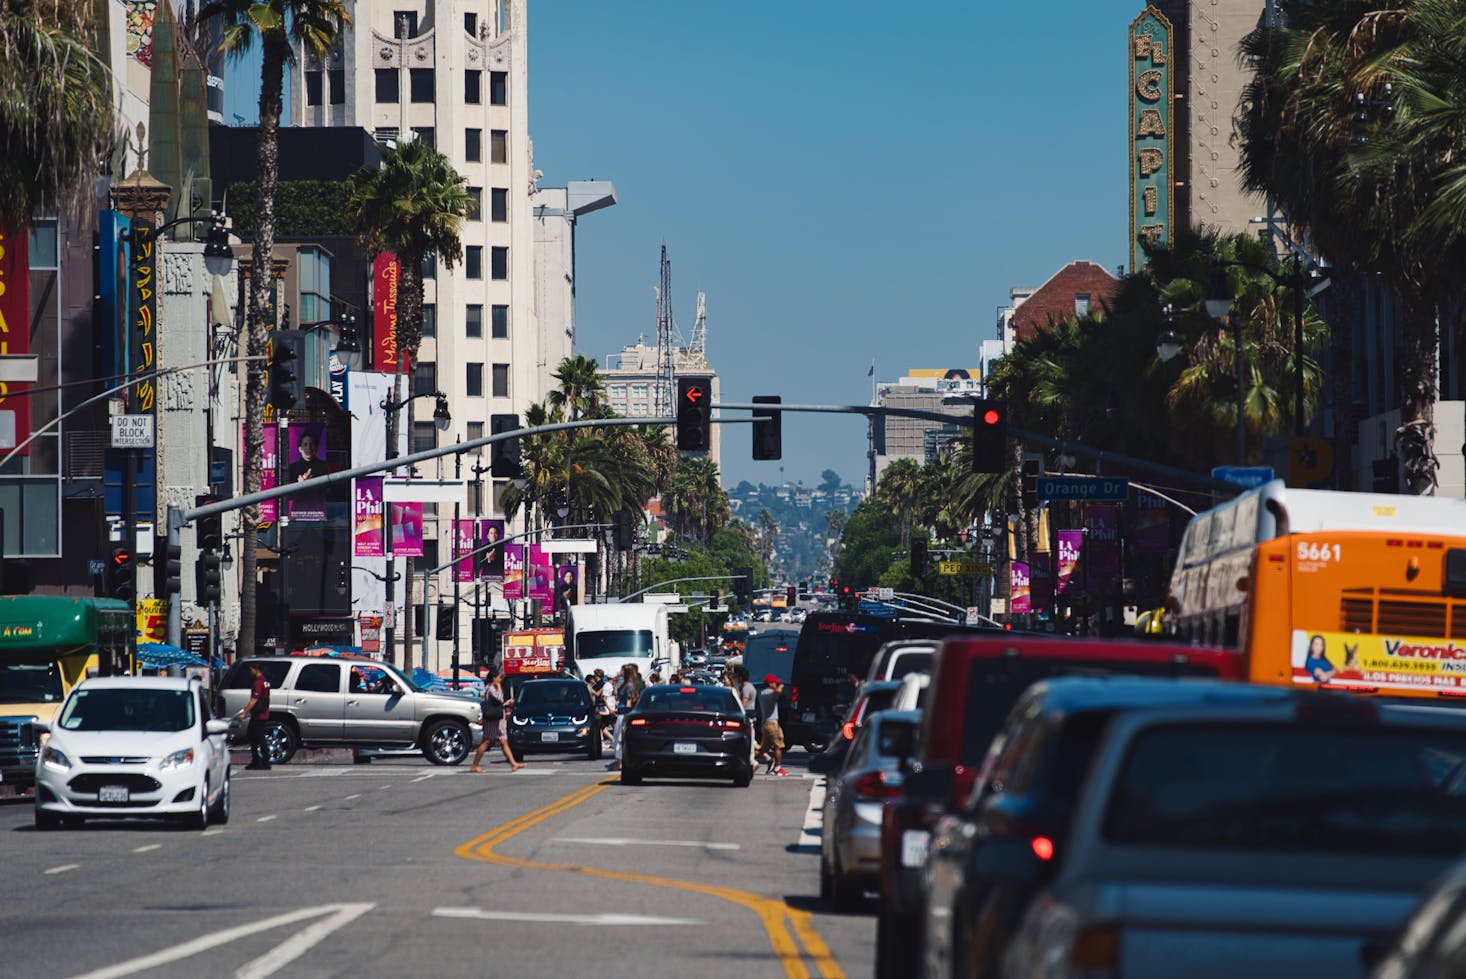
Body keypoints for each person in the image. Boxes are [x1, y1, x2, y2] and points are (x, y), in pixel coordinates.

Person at [469, 669, 524, 772]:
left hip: (497, 721)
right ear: (494, 678)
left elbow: (498, 704)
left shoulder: (490, 688)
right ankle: (475, 765)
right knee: (486, 741)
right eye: (499, 677)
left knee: (504, 742)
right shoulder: (491, 689)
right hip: (492, 721)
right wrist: (500, 689)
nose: (500, 679)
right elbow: (499, 700)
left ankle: (513, 764)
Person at [235, 663, 273, 770]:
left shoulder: (258, 683)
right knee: (255, 737)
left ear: (256, 669)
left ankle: (263, 761)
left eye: (251, 670)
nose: (250, 672)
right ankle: (258, 760)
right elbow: (268, 697)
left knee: (258, 738)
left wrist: (245, 712)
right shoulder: (266, 682)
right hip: (263, 713)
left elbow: (254, 699)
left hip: (258, 715)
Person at [610, 662, 645, 770]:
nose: (620, 672)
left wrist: (626, 708)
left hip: (624, 714)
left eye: (622, 670)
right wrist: (616, 681)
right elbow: (615, 693)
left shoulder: (629, 685)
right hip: (622, 713)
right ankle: (620, 761)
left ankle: (619, 763)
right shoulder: (627, 683)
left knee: (619, 739)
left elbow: (631, 699)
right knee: (618, 739)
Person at [755, 674, 789, 776]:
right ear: (770, 683)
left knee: (763, 749)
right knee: (779, 745)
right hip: (771, 724)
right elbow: (778, 692)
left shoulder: (763, 693)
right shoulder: (767, 692)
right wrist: (781, 686)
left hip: (766, 724)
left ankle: (748, 759)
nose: (777, 684)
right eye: (775, 682)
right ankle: (777, 768)